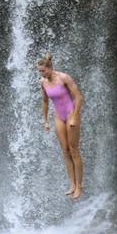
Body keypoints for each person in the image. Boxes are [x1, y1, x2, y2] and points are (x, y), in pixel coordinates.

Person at [37, 53, 84, 199]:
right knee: (65, 151)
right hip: (58, 116)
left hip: (70, 114)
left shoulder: (64, 77)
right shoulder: (43, 82)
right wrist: (45, 120)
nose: (42, 73)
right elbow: (45, 102)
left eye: (43, 70)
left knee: (73, 150)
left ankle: (79, 186)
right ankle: (72, 184)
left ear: (50, 67)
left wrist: (74, 117)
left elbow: (78, 96)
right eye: (39, 71)